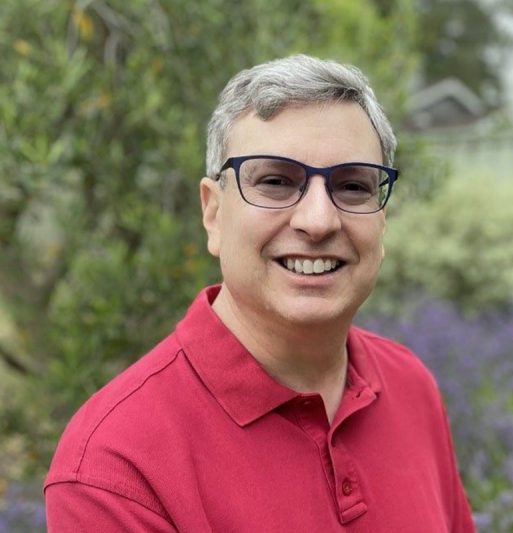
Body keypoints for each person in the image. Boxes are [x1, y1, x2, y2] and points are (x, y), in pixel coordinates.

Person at [43, 55, 476, 531]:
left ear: (382, 220)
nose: (318, 220)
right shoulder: (116, 466)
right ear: (213, 214)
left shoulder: (411, 386)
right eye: (274, 181)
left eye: (353, 186)